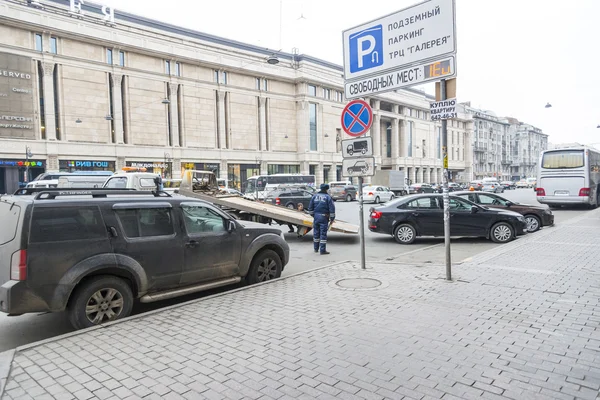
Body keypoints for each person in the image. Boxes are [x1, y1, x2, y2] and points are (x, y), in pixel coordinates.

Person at [308, 183, 335, 255]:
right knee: (323, 234)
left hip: (316, 217)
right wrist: (332, 218)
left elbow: (310, 208)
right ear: (326, 189)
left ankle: (316, 248)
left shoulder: (315, 196)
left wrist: (314, 215)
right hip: (324, 217)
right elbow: (332, 209)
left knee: (316, 233)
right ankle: (322, 250)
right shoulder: (328, 197)